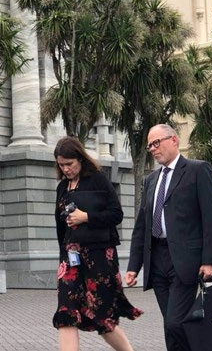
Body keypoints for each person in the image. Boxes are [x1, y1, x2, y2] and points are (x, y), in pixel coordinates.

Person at [125, 124, 212, 351]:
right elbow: (142, 226)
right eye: (150, 145)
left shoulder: (198, 170)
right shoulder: (151, 180)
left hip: (185, 261)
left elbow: (211, 217)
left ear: (174, 140)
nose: (152, 149)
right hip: (156, 260)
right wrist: (133, 266)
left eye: (156, 143)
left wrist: (210, 260)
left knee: (176, 322)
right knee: (171, 326)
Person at [52, 136, 142, 351]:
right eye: (61, 165)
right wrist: (62, 256)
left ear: (80, 159)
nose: (66, 169)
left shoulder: (98, 180)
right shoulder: (62, 187)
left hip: (99, 258)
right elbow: (60, 228)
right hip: (71, 260)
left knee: (103, 318)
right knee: (66, 312)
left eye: (69, 164)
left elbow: (116, 214)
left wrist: (87, 217)